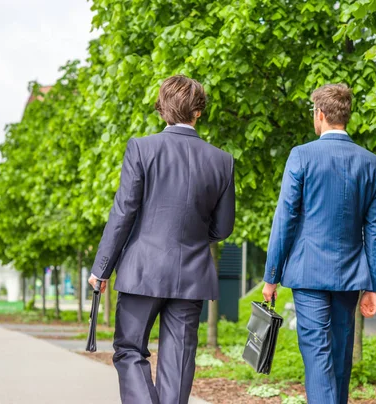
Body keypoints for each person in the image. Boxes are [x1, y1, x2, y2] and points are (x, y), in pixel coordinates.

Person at [88, 75, 235, 404]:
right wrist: (195, 236)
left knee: (129, 350)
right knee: (179, 362)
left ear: (161, 109)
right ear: (198, 112)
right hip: (192, 274)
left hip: (142, 271)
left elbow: (124, 212)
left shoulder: (141, 148)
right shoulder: (222, 161)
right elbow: (223, 228)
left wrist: (102, 268)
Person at [262, 83, 376, 404]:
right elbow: (375, 230)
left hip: (308, 273)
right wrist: (373, 284)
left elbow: (285, 218)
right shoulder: (371, 162)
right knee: (340, 356)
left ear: (320, 114)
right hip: (350, 276)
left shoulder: (302, 155)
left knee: (317, 355)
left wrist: (271, 275)